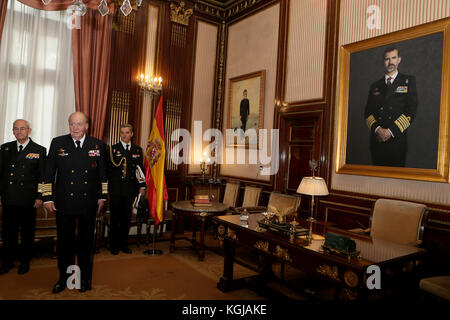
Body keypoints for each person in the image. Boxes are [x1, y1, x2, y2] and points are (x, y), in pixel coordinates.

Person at [43, 112, 108, 294]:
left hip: (89, 203)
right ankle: (64, 278)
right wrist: (47, 197)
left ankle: (85, 279)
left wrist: (102, 196)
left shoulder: (97, 145)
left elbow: (103, 175)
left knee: (86, 243)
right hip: (64, 203)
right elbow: (48, 173)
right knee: (65, 243)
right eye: (72, 124)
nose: (75, 128)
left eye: (79, 124)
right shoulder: (58, 143)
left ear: (86, 125)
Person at [0, 120, 46, 275]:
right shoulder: (5, 148)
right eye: (16, 129)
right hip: (9, 197)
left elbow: (43, 177)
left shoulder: (39, 150)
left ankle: (25, 262)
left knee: (27, 233)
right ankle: (8, 261)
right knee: (8, 232)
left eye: (22, 128)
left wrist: (40, 196)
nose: (19, 131)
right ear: (13, 131)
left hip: (28, 199)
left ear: (29, 130)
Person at [364, 47, 418, 167]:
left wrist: (390, 131)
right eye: (387, 59)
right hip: (377, 142)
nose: (390, 62)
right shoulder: (375, 86)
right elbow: (368, 113)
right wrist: (378, 130)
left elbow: (411, 110)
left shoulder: (408, 81)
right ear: (383, 62)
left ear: (399, 59)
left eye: (393, 58)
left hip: (397, 141)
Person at [107, 124, 146, 255]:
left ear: (132, 134)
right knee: (115, 218)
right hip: (116, 190)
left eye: (127, 132)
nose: (124, 135)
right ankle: (114, 245)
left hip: (130, 190)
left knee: (126, 218)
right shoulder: (113, 149)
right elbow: (108, 171)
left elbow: (140, 169)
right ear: (120, 134)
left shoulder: (137, 150)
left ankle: (124, 244)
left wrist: (142, 185)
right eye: (122, 133)